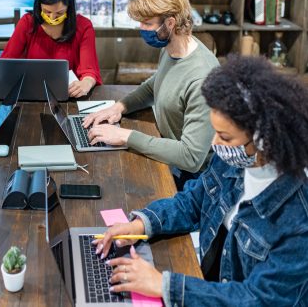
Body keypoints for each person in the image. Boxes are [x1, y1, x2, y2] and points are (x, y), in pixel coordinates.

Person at [94, 56, 308, 306]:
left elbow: (258, 299)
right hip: (208, 286)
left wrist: (164, 285)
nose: (215, 143)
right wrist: (143, 223)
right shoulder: (237, 160)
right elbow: (195, 201)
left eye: (225, 137)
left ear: (264, 139)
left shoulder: (298, 220)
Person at [83, 0, 219, 190]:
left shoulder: (202, 78)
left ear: (171, 23)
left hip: (194, 179)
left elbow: (191, 157)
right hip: (169, 153)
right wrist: (119, 107)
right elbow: (156, 84)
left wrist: (125, 136)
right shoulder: (172, 48)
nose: (141, 29)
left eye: (147, 23)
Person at [1, 0, 102, 98]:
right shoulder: (28, 23)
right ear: (39, 6)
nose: (53, 18)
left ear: (69, 8)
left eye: (59, 13)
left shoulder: (83, 26)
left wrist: (86, 83)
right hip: (31, 93)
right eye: (47, 12)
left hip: (69, 95)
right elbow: (6, 63)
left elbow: (89, 69)